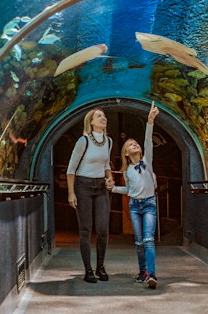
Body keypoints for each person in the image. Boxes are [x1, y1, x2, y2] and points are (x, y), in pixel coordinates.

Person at [107, 101, 159, 289]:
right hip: (135, 206)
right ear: (126, 153)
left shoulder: (147, 162)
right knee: (138, 242)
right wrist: (113, 189)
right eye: (130, 144)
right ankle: (142, 271)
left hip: (149, 205)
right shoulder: (127, 170)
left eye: (135, 143)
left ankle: (152, 275)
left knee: (148, 239)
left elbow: (147, 141)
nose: (135, 144)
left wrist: (150, 121)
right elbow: (129, 190)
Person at [67, 108, 113, 283]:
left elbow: (106, 164)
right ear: (91, 122)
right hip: (83, 186)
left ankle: (100, 267)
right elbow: (71, 169)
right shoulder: (83, 141)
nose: (103, 118)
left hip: (101, 186)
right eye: (99, 116)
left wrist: (109, 179)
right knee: (85, 230)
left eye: (104, 115)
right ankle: (88, 271)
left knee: (102, 229)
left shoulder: (108, 141)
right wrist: (71, 193)